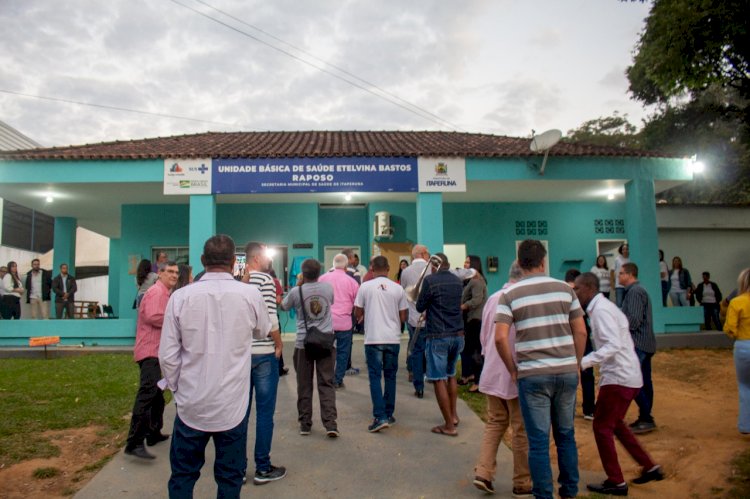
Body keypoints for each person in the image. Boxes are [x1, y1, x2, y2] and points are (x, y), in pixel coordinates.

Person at [159, 235, 272, 497]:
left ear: (202, 261)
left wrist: (177, 388)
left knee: (183, 475)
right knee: (230, 478)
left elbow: (167, 355)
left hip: (191, 404)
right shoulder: (250, 295)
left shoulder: (180, 297)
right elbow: (264, 329)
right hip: (232, 404)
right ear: (235, 263)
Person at [495, 239, 587, 499]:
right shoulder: (565, 289)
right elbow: (581, 331)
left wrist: (513, 370)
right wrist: (576, 363)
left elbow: (500, 338)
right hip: (566, 371)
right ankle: (569, 490)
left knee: (537, 441)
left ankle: (543, 494)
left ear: (520, 263)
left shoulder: (510, 294)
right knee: (566, 435)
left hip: (532, 375)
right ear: (543, 261)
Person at [574, 272, 665, 496]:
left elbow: (612, 345)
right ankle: (650, 467)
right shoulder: (604, 307)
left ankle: (616, 481)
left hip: (618, 378)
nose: (574, 293)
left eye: (576, 289)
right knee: (615, 425)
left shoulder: (601, 311)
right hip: (625, 375)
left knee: (601, 426)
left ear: (588, 288)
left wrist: (583, 362)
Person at [472, 262, 532, 497]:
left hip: (493, 368)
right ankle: (522, 481)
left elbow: (485, 336)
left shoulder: (494, 297)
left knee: (495, 422)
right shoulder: (522, 298)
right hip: (515, 369)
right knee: (520, 428)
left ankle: (483, 472)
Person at [240, 242, 286, 485]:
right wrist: (278, 344)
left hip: (241, 355)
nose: (269, 260)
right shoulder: (266, 281)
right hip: (263, 354)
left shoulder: (239, 282)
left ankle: (237, 468)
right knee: (265, 413)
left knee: (240, 414)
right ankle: (262, 468)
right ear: (257, 258)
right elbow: (270, 317)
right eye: (266, 256)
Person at [124, 260, 179, 460]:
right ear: (160, 274)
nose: (174, 275)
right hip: (149, 351)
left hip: (157, 351)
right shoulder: (156, 292)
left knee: (157, 395)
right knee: (147, 394)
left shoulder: (165, 293)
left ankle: (153, 433)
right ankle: (134, 442)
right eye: (170, 272)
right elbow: (153, 316)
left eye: (176, 273)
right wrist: (176, 319)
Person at [281, 258, 339, 437]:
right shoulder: (327, 288)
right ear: (318, 273)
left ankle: (305, 424)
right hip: (326, 343)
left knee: (304, 384)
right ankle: (330, 424)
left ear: (302, 273)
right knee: (326, 383)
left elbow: (284, 306)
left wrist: (298, 285)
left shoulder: (296, 291)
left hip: (303, 344)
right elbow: (331, 302)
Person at [354, 256, 408, 432]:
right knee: (391, 377)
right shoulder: (398, 288)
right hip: (392, 338)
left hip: (373, 338)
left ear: (371, 268)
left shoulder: (365, 287)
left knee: (375, 377)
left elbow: (358, 311)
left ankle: (379, 416)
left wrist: (365, 316)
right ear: (388, 267)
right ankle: (389, 413)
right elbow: (403, 317)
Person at [416, 252, 464, 437]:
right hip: (457, 334)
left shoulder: (430, 280)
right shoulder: (457, 280)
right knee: (451, 374)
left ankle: (448, 426)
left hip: (438, 335)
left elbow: (420, 306)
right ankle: (454, 416)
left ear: (434, 266)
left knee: (438, 378)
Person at [619, 262, 658, 434]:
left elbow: (633, 320)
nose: (618, 276)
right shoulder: (638, 291)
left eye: (621, 273)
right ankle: (646, 415)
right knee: (645, 381)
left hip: (638, 344)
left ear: (629, 274)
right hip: (645, 343)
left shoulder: (634, 292)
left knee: (635, 381)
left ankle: (646, 417)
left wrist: (619, 328)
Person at [319, 253, 360, 389]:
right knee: (343, 353)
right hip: (344, 323)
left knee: (325, 352)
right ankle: (337, 380)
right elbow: (358, 303)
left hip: (326, 323)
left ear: (333, 263)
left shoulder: (322, 278)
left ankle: (325, 378)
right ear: (346, 266)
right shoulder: (352, 282)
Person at [401, 245, 430, 398]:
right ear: (423, 254)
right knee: (430, 349)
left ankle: (418, 385)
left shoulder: (405, 272)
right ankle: (432, 377)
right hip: (430, 317)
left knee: (417, 350)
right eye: (427, 253)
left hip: (413, 317)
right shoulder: (432, 269)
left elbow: (404, 292)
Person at [566, 269, 595, 421]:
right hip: (582, 337)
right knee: (587, 375)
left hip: (567, 339)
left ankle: (568, 410)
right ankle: (589, 409)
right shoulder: (581, 296)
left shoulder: (562, 293)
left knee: (569, 375)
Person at [724, 268, 750, 434]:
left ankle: (746, 425)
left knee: (745, 386)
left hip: (743, 346)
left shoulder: (737, 302)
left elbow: (730, 329)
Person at [459, 255, 487, 393]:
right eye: (465, 261)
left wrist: (463, 306)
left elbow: (476, 300)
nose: (465, 264)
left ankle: (479, 382)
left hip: (475, 320)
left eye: (468, 262)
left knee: (476, 351)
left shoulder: (477, 281)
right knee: (469, 350)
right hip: (470, 319)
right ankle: (471, 376)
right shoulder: (469, 280)